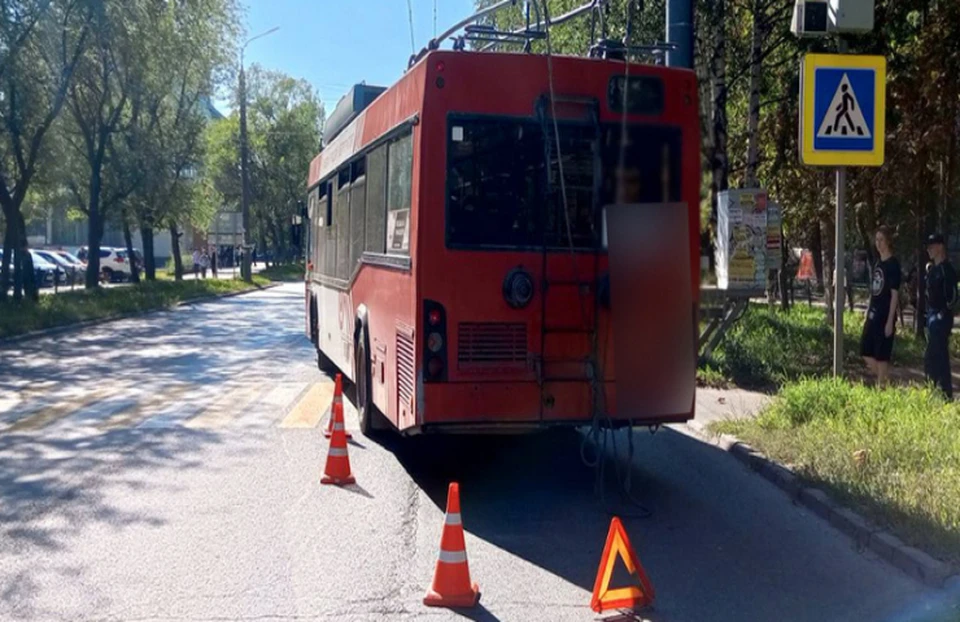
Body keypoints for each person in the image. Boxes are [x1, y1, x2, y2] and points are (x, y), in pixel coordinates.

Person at [860, 226, 901, 387]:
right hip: (873, 313)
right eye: (876, 240)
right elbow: (874, 290)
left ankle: (882, 387)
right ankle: (886, 382)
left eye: (881, 240)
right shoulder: (878, 263)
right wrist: (867, 309)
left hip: (885, 315)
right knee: (865, 350)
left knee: (882, 355)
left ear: (888, 241)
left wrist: (890, 320)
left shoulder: (893, 264)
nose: (878, 243)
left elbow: (894, 295)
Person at [924, 233, 957, 400]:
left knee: (938, 355)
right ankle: (934, 389)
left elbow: (952, 297)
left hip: (941, 319)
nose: (929, 249)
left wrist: (942, 313)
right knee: (931, 357)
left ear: (940, 247)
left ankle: (944, 393)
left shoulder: (946, 270)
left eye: (932, 245)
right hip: (931, 318)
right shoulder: (932, 270)